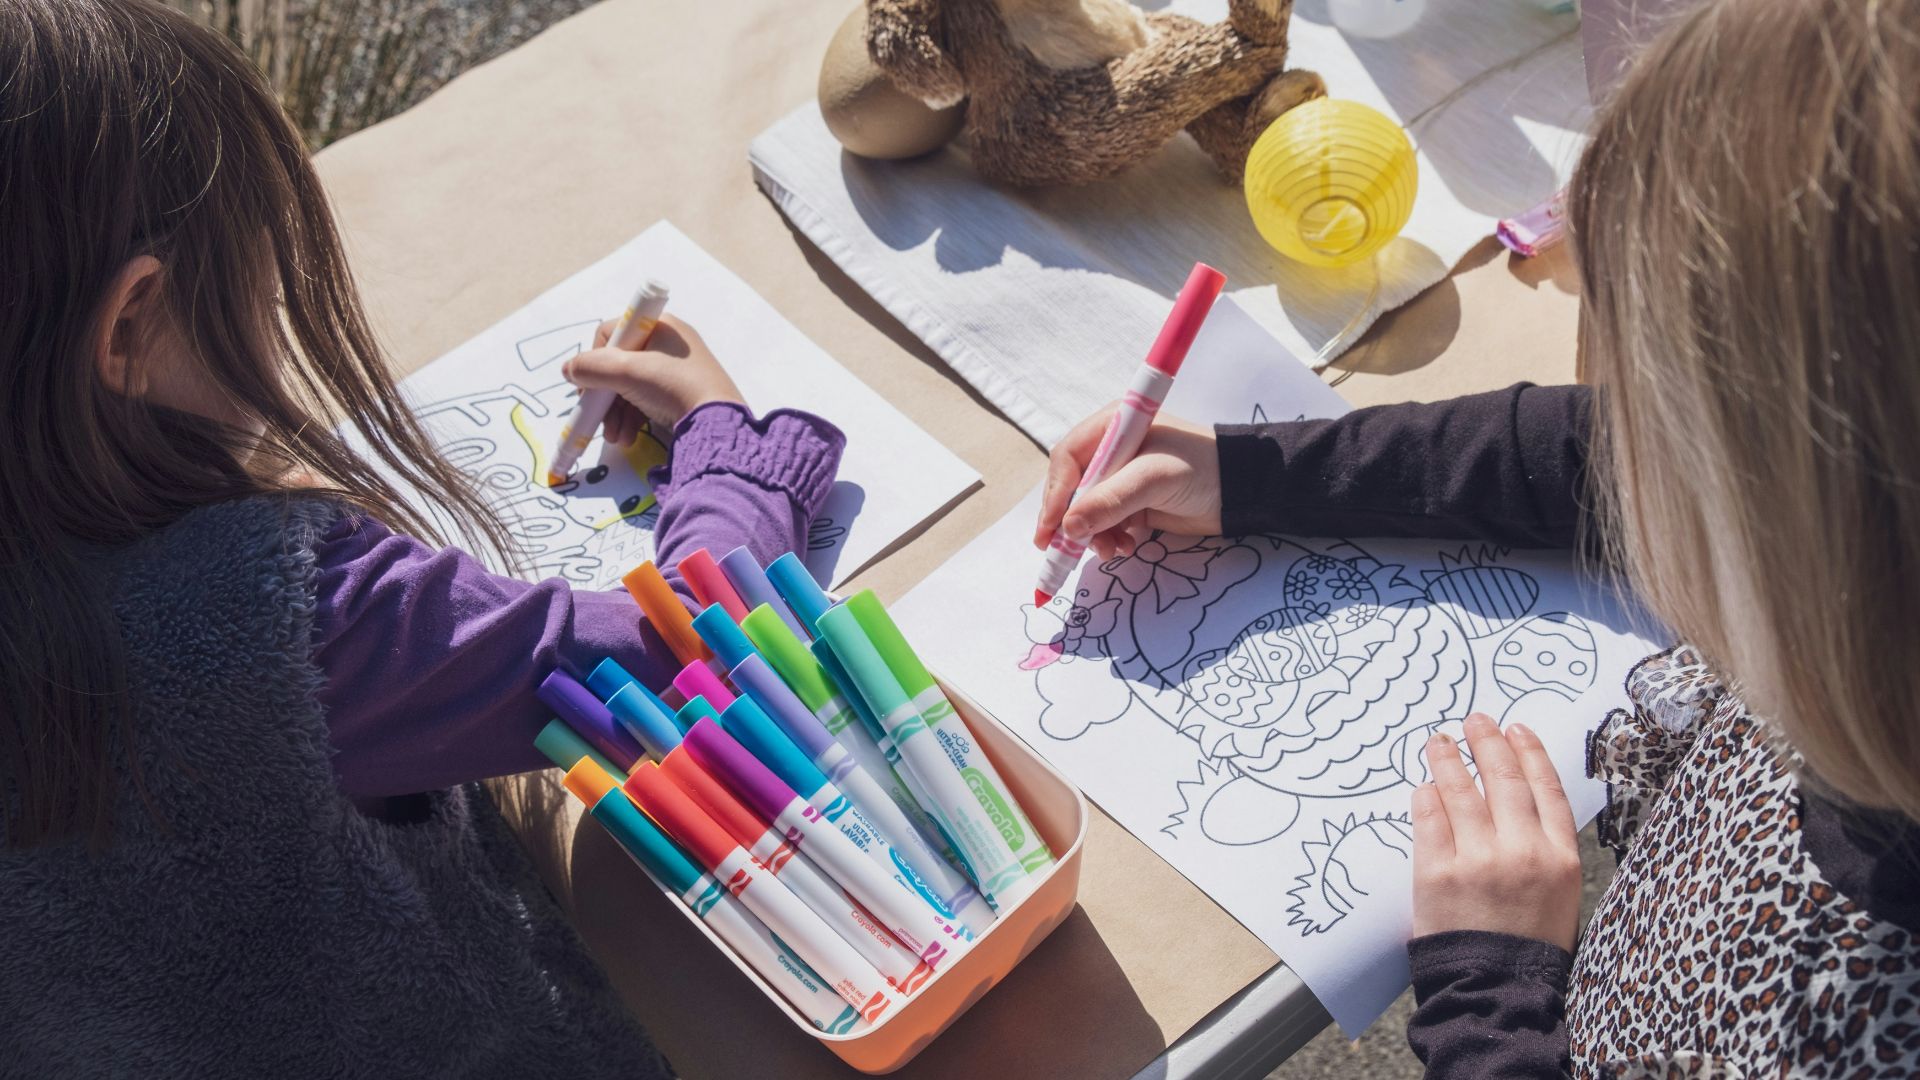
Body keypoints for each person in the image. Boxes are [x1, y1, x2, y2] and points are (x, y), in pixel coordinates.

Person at [1035, 0, 1920, 1073]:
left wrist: (1491, 990)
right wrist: (1257, 471)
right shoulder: (1857, 591)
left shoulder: (1858, 1033)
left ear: (1803, 549)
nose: (1619, 442)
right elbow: (1583, 451)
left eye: (1661, 426)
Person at [0, 1, 844, 1073]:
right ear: (128, 328)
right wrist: (729, 452)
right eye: (260, 286)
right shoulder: (286, 623)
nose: (276, 326)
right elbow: (696, 654)